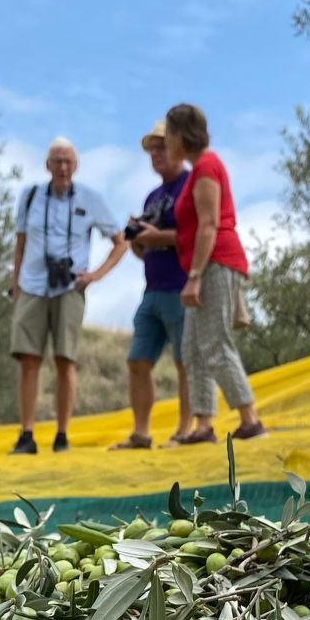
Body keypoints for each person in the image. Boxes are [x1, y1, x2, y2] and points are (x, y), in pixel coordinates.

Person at [9, 138, 125, 454]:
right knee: (28, 360)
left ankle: (62, 435)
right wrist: (15, 285)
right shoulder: (30, 196)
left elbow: (121, 241)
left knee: (65, 359)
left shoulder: (91, 198)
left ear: (76, 166)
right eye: (56, 161)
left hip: (70, 287)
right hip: (32, 285)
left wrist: (96, 275)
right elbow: (19, 243)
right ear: (47, 165)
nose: (62, 167)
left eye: (68, 162)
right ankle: (27, 434)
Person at [167, 103, 265, 444]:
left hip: (215, 263)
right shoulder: (200, 169)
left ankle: (250, 419)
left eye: (168, 135)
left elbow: (209, 224)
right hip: (206, 264)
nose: (167, 142)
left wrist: (195, 275)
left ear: (180, 135)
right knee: (192, 348)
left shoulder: (207, 167)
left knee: (214, 342)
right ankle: (204, 424)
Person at [112, 120, 193, 450]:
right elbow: (146, 251)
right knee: (137, 360)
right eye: (152, 149)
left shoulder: (191, 185)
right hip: (153, 289)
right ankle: (141, 434)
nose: (156, 154)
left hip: (182, 286)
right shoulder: (153, 196)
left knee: (185, 361)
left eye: (162, 147)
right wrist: (136, 238)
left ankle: (186, 430)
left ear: (179, 147)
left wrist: (156, 236)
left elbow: (200, 236)